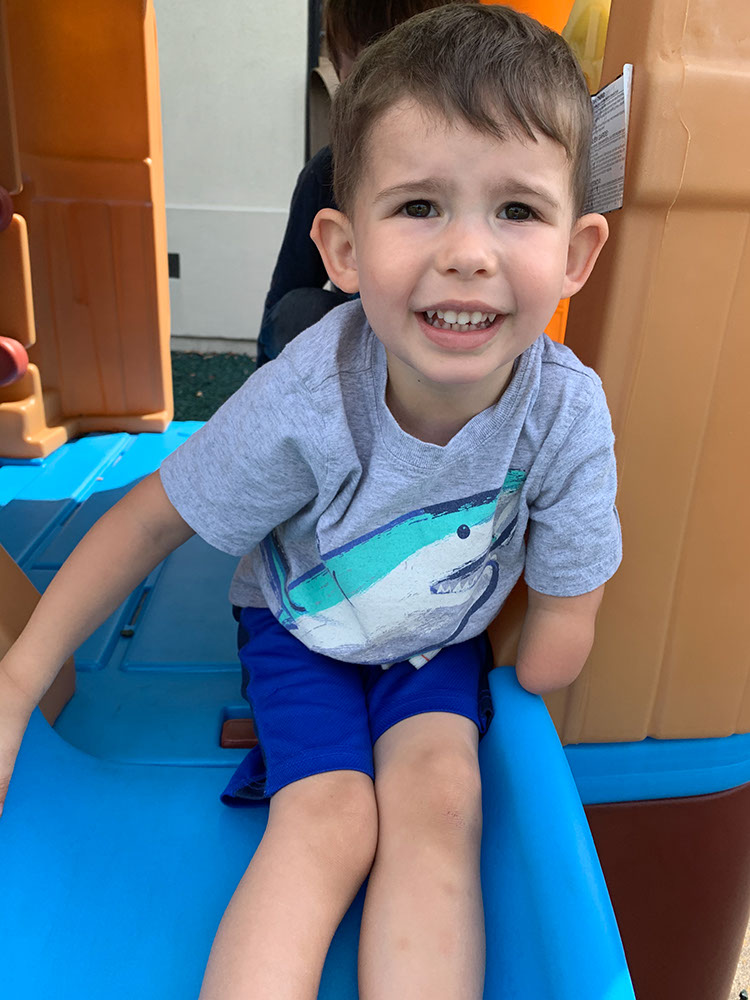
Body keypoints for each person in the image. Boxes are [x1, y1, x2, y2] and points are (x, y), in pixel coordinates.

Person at [0, 5, 620, 998]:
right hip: (302, 623)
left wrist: (544, 633)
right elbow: (150, 518)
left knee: (440, 807)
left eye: (516, 210)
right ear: (339, 248)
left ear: (579, 252)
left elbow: (559, 633)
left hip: (435, 638)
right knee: (328, 821)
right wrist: (19, 681)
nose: (468, 250)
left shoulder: (566, 413)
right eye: (419, 206)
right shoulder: (306, 394)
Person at [256, 0, 479, 367]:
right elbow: (282, 307)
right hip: (362, 361)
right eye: (417, 208)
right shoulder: (326, 172)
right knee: (297, 311)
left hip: (447, 352)